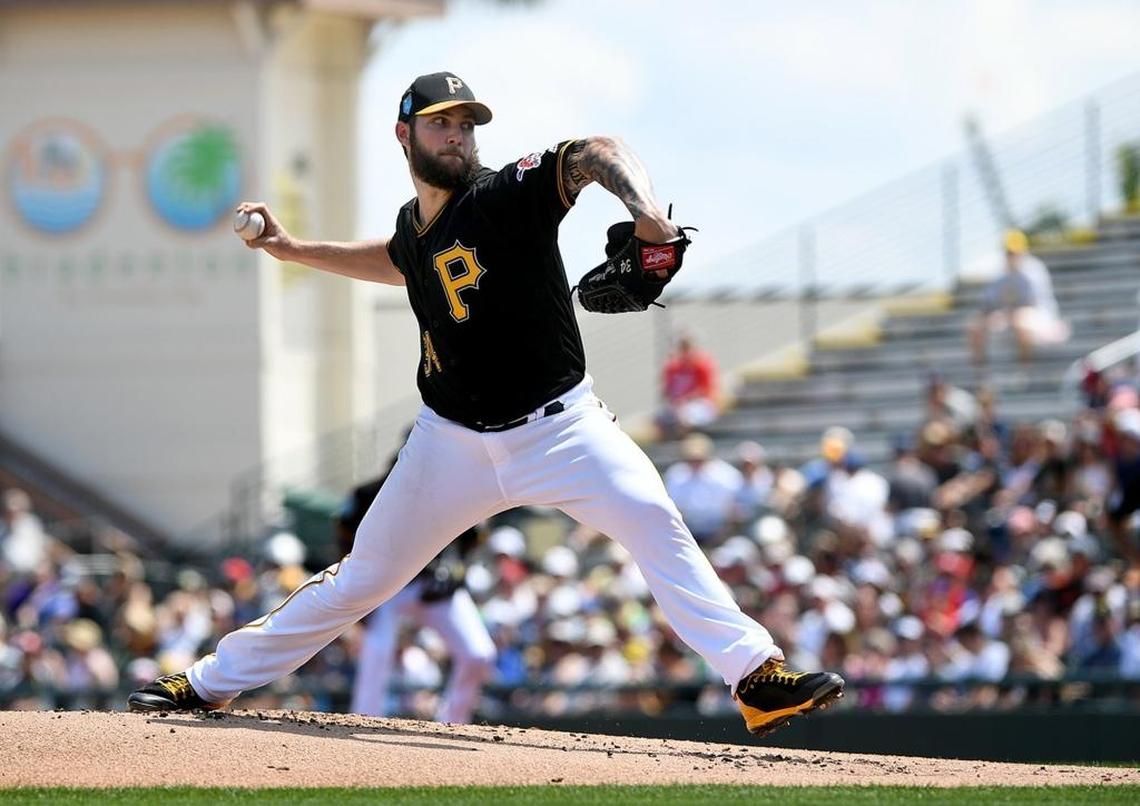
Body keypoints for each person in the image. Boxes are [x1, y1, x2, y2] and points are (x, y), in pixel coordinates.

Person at [127, 71, 843, 736]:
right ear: (404, 134)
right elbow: (395, 259)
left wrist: (648, 217)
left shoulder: (506, 197)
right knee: (360, 580)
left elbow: (598, 151)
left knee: (657, 524)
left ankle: (755, 676)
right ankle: (210, 682)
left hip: (563, 428)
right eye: (442, 123)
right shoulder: (416, 228)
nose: (460, 135)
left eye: (467, 124)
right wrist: (292, 250)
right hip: (450, 443)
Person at [336, 468, 495, 724]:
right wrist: (359, 586)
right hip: (390, 587)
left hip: (436, 586)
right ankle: (364, 719)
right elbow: (345, 534)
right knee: (377, 650)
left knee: (479, 653)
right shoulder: (371, 492)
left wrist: (458, 566)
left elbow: (474, 538)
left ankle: (454, 722)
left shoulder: (460, 488)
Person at [967, 229, 1069, 376]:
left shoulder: (1034, 270)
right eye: (1009, 252)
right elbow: (989, 303)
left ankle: (1025, 371)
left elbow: (1031, 304)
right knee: (975, 325)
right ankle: (980, 374)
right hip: (1011, 317)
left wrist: (1006, 313)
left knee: (1020, 320)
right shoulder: (1000, 271)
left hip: (1042, 318)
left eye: (1014, 252)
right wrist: (991, 316)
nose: (1012, 256)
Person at [656, 332, 721, 438]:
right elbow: (667, 391)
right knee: (659, 418)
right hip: (677, 404)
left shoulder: (702, 365)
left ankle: (685, 441)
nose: (685, 351)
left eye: (687, 347)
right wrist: (675, 400)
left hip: (701, 404)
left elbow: (706, 390)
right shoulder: (673, 367)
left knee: (684, 415)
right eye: (682, 347)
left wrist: (685, 399)